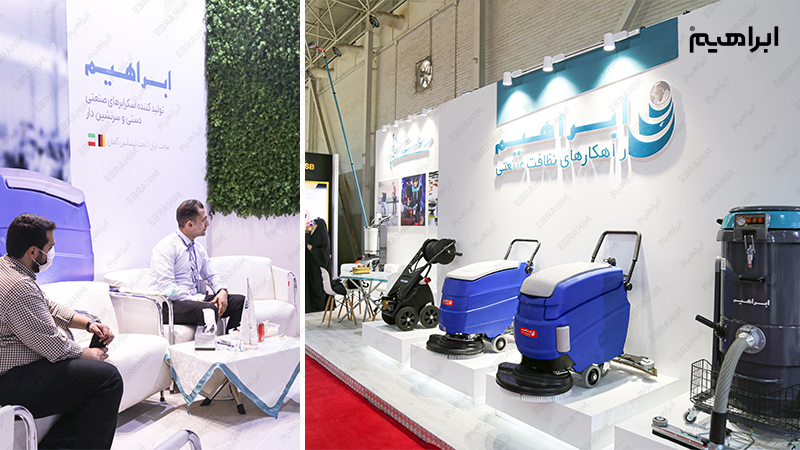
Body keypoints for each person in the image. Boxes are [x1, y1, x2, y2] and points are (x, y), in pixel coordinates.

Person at [0, 213, 123, 449]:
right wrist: (90, 355)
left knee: (89, 377)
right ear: (33, 252)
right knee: (108, 378)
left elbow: (47, 306)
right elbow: (52, 344)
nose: (51, 254)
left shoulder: (9, 268)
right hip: (10, 381)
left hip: (21, 372)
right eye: (50, 248)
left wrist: (88, 323)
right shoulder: (17, 287)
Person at [149, 200, 245, 333]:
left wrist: (222, 290)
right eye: (204, 220)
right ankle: (205, 346)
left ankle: (231, 341)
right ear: (190, 224)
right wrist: (196, 300)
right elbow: (168, 289)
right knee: (208, 309)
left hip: (192, 300)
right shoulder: (166, 247)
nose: (207, 224)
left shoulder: (198, 249)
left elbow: (212, 275)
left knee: (238, 301)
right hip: (168, 304)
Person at [305, 218, 330, 312]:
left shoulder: (324, 237)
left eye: (315, 225)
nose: (313, 226)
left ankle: (320, 305)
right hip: (310, 266)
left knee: (318, 285)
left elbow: (324, 253)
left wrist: (313, 249)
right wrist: (310, 234)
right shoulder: (311, 235)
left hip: (319, 267)